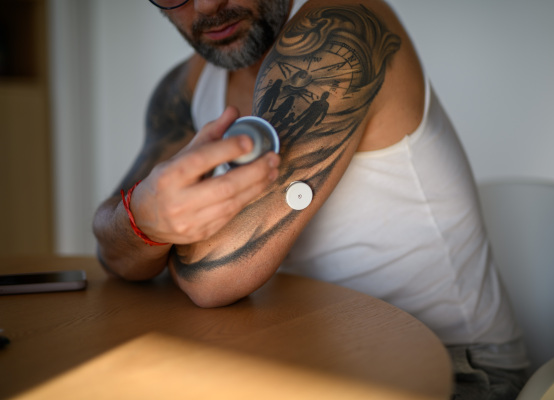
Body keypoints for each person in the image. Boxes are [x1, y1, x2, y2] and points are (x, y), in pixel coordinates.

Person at [92, 1, 529, 398]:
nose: (207, 5)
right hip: (308, 350)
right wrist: (143, 220)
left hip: (458, 366)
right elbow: (112, 253)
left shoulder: (340, 27)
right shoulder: (186, 85)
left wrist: (147, 227)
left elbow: (211, 274)